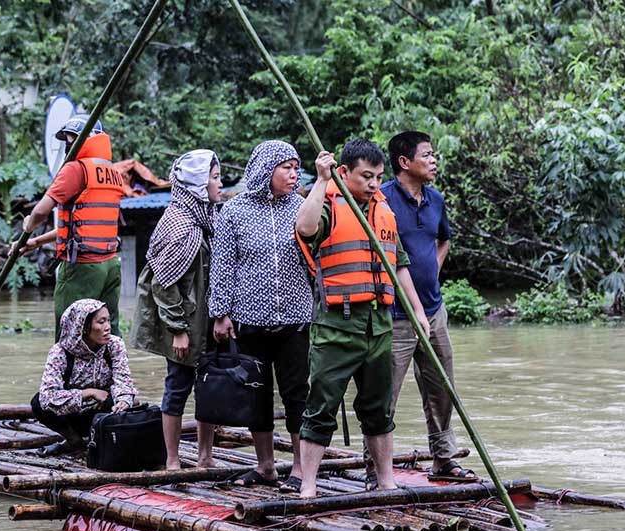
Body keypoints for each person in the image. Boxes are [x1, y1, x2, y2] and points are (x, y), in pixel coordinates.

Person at [295, 139, 430, 498]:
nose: (373, 184)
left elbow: (397, 265)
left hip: (378, 324)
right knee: (321, 404)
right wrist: (322, 180)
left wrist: (418, 311)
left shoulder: (384, 210)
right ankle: (308, 485)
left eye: (378, 177)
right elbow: (306, 229)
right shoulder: (328, 204)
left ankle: (385, 480)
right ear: (345, 173)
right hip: (337, 325)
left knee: (378, 407)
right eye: (365, 176)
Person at [208, 140, 313, 491]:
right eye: (286, 167)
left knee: (298, 393)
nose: (294, 173)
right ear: (266, 169)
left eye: (296, 167)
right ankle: (266, 466)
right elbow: (221, 266)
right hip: (249, 320)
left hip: (295, 319)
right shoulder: (233, 211)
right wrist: (220, 314)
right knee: (257, 394)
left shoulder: (303, 207)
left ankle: (300, 470)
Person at [377, 131, 476, 481]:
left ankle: (444, 458)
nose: (434, 161)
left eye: (434, 154)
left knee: (441, 387)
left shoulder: (435, 199)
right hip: (395, 315)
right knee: (384, 392)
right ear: (405, 162)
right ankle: (377, 468)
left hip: (434, 310)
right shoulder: (381, 199)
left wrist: (430, 274)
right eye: (427, 155)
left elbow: (443, 239)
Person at [130, 149, 223, 470]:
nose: (219, 183)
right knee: (177, 387)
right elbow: (163, 285)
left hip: (208, 319)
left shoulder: (207, 217)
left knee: (210, 389)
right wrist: (178, 330)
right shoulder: (179, 225)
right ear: (198, 184)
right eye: (213, 178)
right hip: (184, 323)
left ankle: (205, 456)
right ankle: (171, 459)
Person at [11, 115, 124, 341]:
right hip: (110, 265)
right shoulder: (111, 171)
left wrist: (28, 228)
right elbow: (83, 227)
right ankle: (114, 376)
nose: (67, 146)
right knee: (107, 334)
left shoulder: (76, 169)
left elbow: (41, 212)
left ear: (83, 140)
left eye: (70, 139)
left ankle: (67, 377)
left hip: (82, 267)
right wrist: (36, 243)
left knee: (70, 335)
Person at [32, 298, 137, 454]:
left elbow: (123, 380)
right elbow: (48, 396)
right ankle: (73, 440)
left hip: (102, 412)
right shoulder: (60, 352)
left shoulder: (115, 345)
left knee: (132, 401)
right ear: (84, 327)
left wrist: (123, 400)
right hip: (69, 415)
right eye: (101, 322)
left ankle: (104, 438)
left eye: (108, 321)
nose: (108, 327)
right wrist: (88, 393)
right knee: (38, 403)